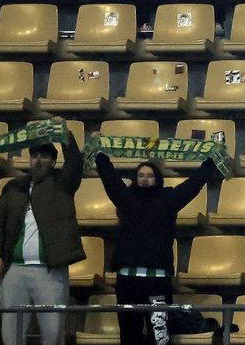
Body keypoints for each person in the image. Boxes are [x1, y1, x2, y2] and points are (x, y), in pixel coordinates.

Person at [92, 139, 218, 345]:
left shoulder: (169, 198)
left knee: (159, 335)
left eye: (149, 175)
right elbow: (109, 178)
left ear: (157, 178)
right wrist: (99, 154)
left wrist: (209, 163)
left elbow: (193, 185)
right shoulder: (125, 197)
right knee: (129, 334)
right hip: (127, 281)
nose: (144, 179)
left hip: (157, 281)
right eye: (141, 175)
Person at [0, 134, 85, 345]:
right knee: (11, 335)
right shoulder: (13, 187)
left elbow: (76, 163)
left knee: (53, 334)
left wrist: (65, 133)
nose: (38, 160)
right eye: (34, 155)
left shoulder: (62, 183)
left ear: (53, 161)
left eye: (44, 156)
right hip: (14, 270)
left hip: (50, 270)